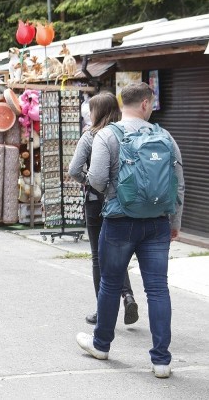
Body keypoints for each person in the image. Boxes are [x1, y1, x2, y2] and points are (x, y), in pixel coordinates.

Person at [78, 82, 185, 379]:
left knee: (111, 284)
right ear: (146, 104)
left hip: (119, 221)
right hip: (157, 224)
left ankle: (101, 344)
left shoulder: (107, 136)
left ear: (121, 103)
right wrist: (174, 223)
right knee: (157, 289)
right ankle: (161, 361)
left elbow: (97, 179)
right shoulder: (165, 136)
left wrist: (113, 190)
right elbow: (179, 183)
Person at [67, 92, 136, 325]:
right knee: (119, 254)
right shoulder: (125, 133)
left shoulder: (90, 136)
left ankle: (103, 311)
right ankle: (128, 296)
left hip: (97, 202)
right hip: (124, 201)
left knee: (99, 256)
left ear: (97, 112)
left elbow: (74, 169)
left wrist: (90, 181)